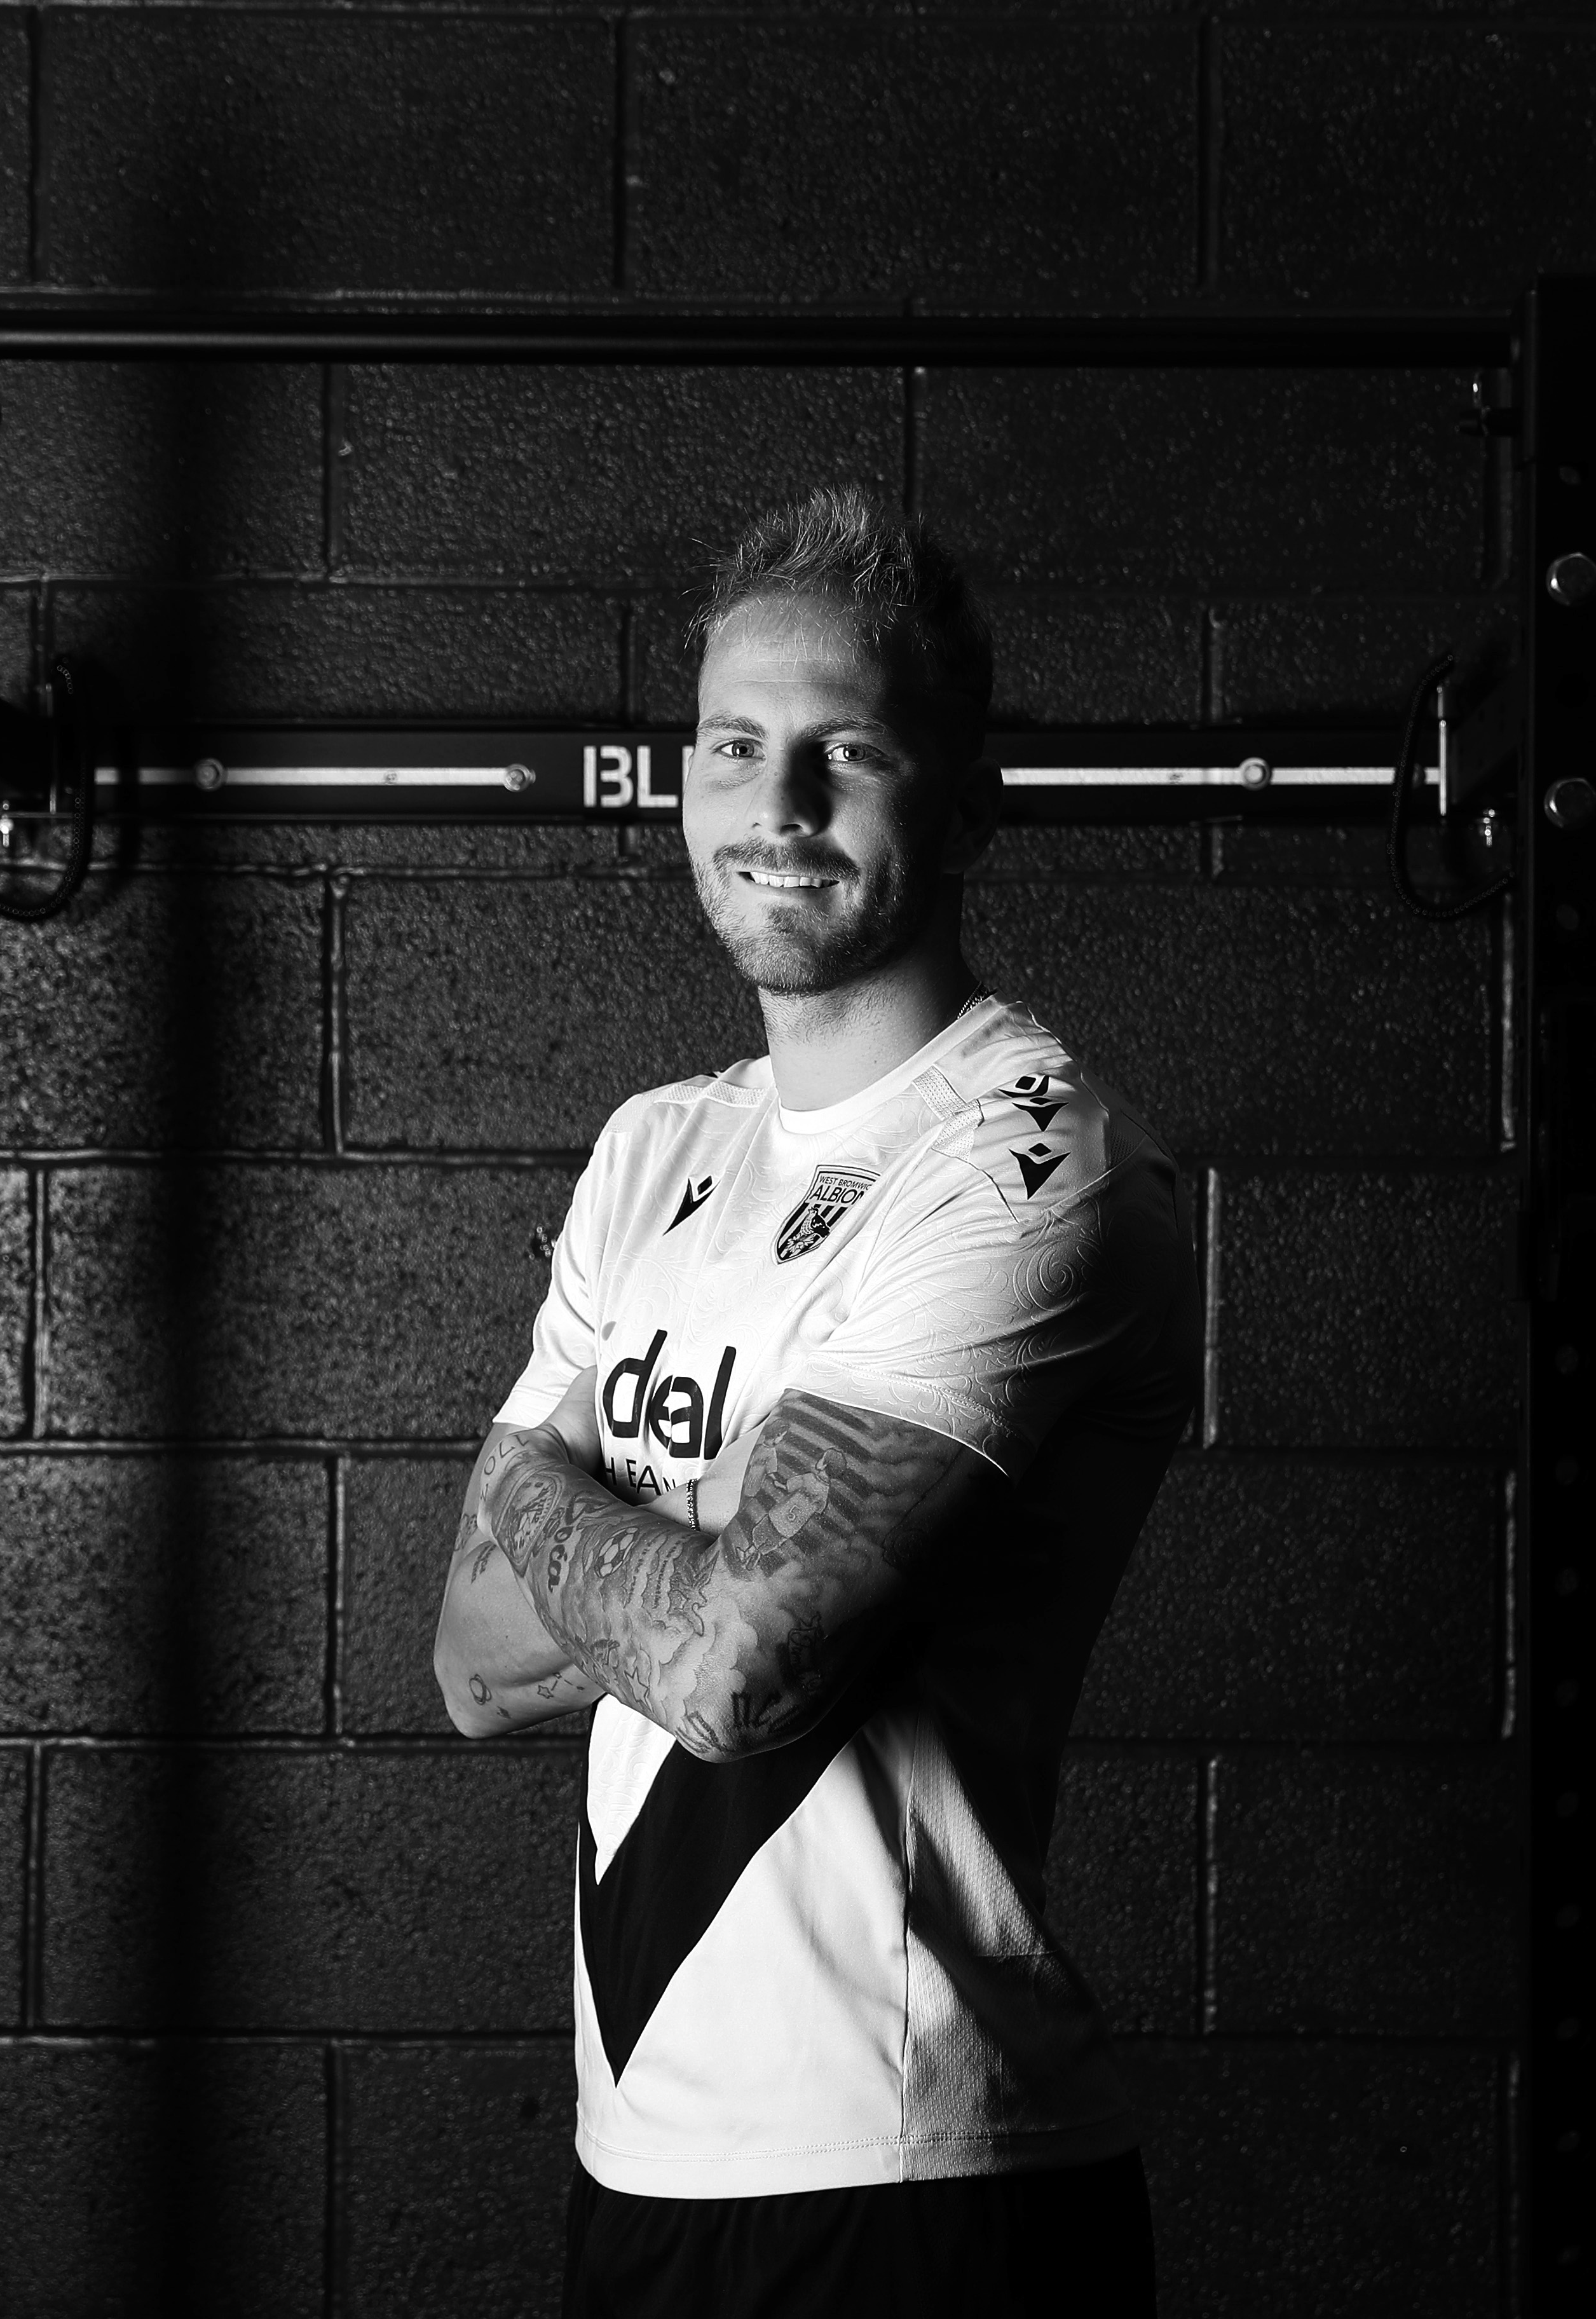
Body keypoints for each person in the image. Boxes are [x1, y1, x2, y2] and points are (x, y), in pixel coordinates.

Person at [433, 486, 1201, 2316]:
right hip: (643, 2150)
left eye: (843, 753)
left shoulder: (1030, 1162)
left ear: (963, 792)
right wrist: (691, 1553)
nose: (774, 811)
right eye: (731, 748)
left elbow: (729, 1674)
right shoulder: (658, 1147)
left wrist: (548, 1476)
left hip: (913, 2172)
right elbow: (467, 1663)